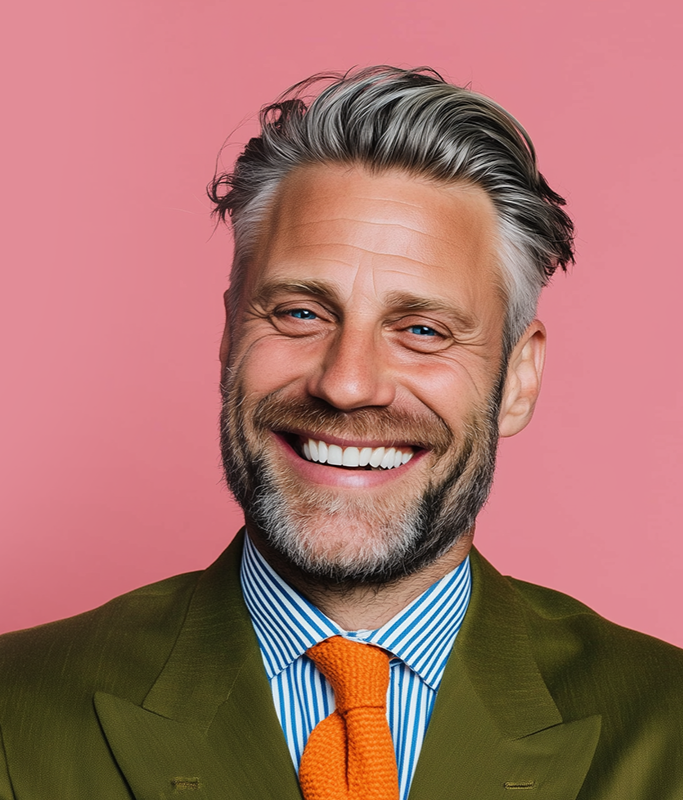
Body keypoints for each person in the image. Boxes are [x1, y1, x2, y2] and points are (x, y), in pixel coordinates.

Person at [0, 66, 681, 800]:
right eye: (299, 313)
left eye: (421, 329)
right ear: (230, 334)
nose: (347, 383)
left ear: (517, 380)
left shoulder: (665, 727)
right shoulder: (17, 710)